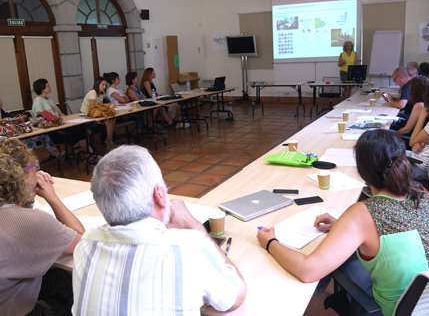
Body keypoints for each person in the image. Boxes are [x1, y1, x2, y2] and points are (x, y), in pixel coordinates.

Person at [257, 130, 429, 316]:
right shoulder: (422, 194)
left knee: (337, 260)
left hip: (400, 310)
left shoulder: (363, 212)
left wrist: (270, 242)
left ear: (362, 171)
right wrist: (345, 228)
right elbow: (403, 228)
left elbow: (308, 271)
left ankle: (304, 297)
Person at [72, 145, 247, 315]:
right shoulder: (190, 245)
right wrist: (195, 226)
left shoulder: (87, 241)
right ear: (160, 195)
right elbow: (236, 297)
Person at [0, 139, 85, 316]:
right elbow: (80, 239)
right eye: (33, 167)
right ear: (20, 175)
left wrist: (26, 197)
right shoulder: (30, 222)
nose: (37, 171)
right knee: (75, 290)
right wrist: (51, 197)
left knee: (60, 278)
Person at [31, 78, 101, 163]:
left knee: (80, 128)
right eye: (47, 86)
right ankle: (90, 154)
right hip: (52, 130)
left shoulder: (49, 100)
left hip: (59, 126)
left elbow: (60, 113)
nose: (50, 87)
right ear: (42, 89)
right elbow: (40, 116)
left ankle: (87, 154)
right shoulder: (38, 100)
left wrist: (68, 122)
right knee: (76, 132)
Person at [1, 97, 65, 162]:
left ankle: (56, 154)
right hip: (9, 139)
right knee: (31, 144)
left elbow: (10, 123)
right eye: (0, 101)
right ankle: (26, 164)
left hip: (18, 134)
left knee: (43, 135)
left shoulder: (2, 112)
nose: (2, 103)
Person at [80, 77, 117, 150]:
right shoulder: (93, 93)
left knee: (111, 118)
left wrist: (107, 107)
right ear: (97, 84)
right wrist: (108, 106)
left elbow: (101, 107)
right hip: (86, 116)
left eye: (105, 85)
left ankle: (109, 140)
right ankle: (109, 141)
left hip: (95, 115)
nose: (104, 87)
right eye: (102, 85)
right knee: (108, 119)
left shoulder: (100, 94)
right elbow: (92, 109)